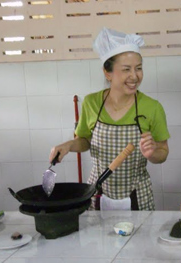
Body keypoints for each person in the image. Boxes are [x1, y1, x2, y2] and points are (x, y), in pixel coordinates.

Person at [49, 27, 170, 211]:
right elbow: (84, 141)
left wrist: (152, 153)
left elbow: (163, 152)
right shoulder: (91, 103)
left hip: (138, 194)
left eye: (138, 68)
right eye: (126, 69)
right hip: (98, 192)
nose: (134, 76)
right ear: (108, 72)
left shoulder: (152, 107)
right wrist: (68, 146)